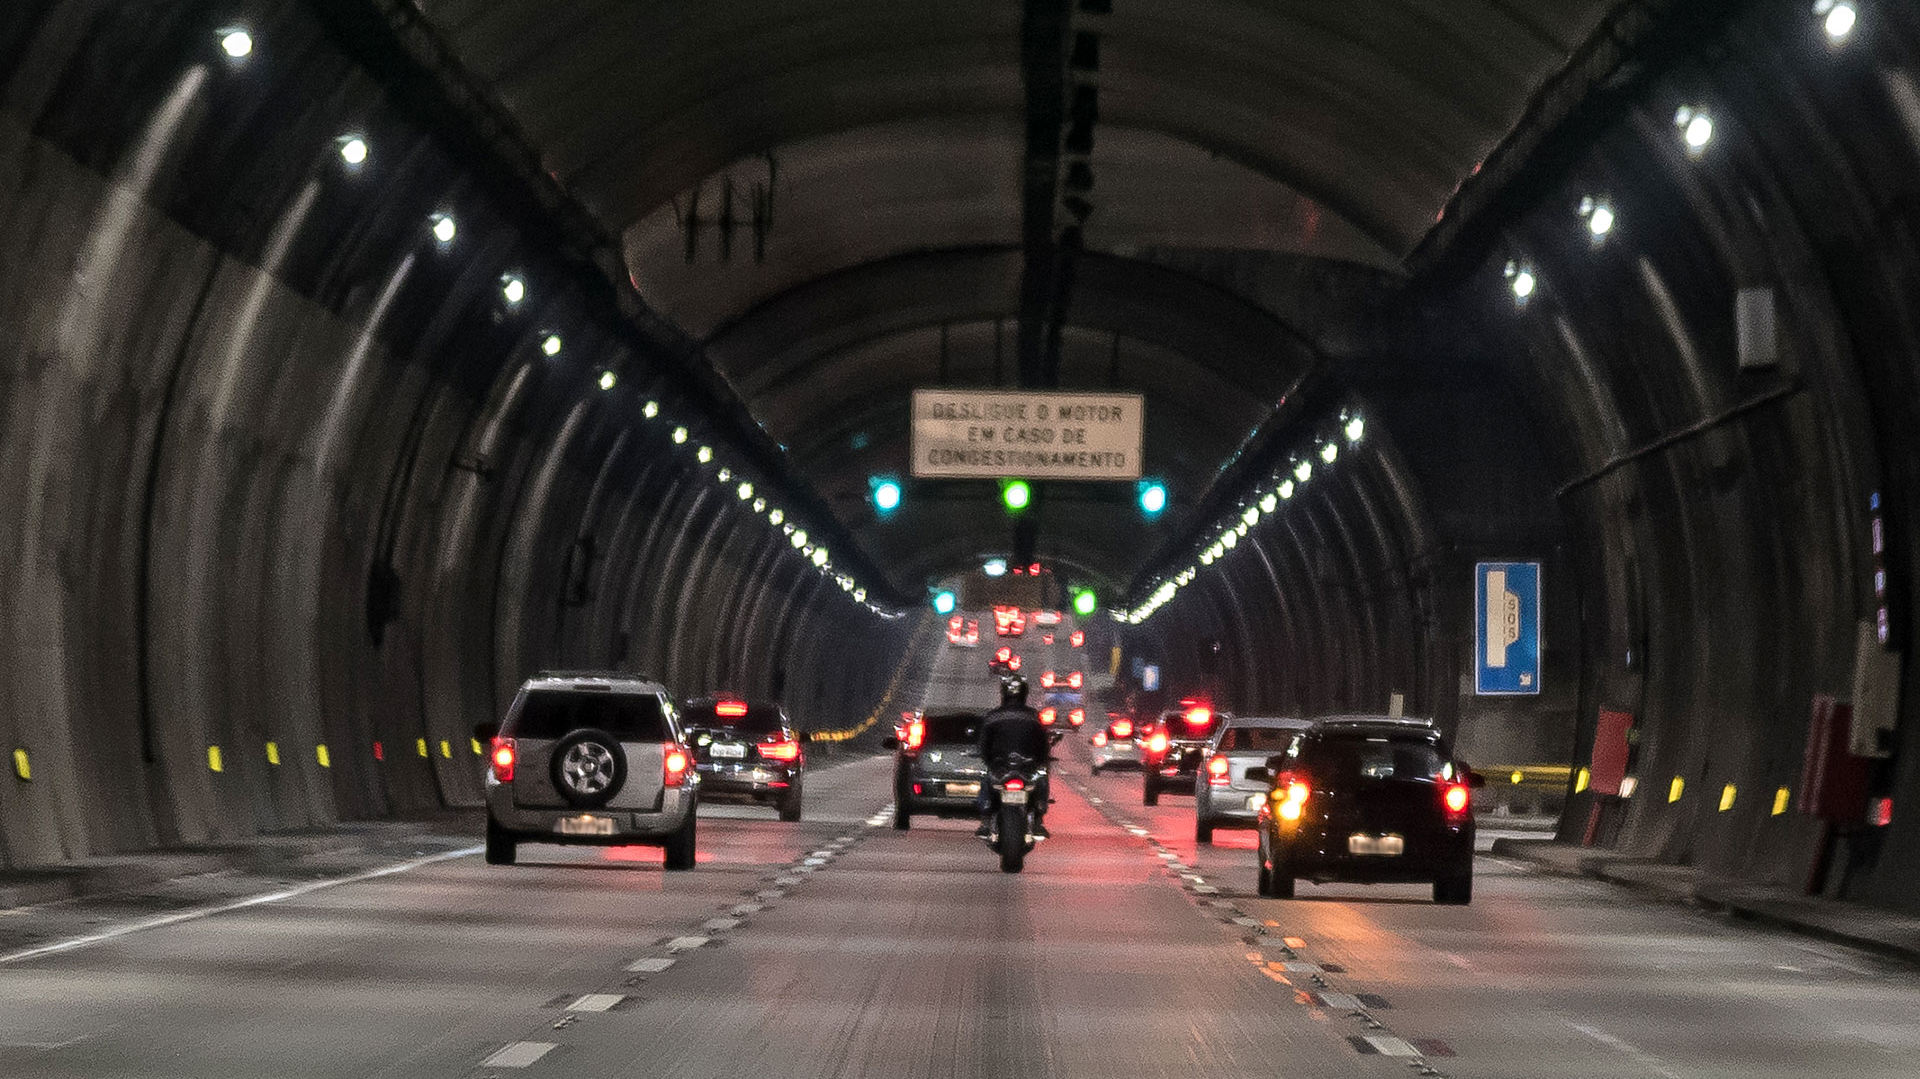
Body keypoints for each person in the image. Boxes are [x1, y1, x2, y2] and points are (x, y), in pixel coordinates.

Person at [976, 675, 1052, 839]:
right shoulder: (1033, 717)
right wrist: (1041, 760)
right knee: (1042, 777)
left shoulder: (992, 716)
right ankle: (1038, 821)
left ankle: (986, 822)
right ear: (1024, 693)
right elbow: (1043, 744)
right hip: (1027, 765)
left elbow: (983, 745)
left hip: (1001, 765)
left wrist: (989, 760)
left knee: (986, 777)